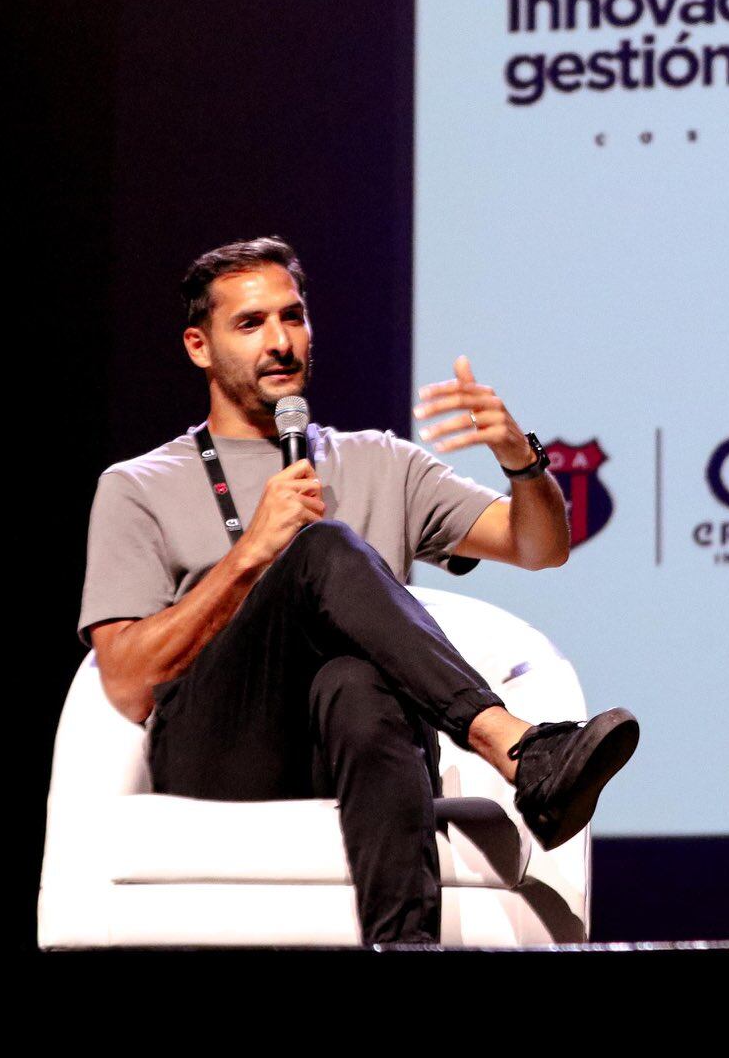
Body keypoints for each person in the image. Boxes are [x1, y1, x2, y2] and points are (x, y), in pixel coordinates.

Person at [79, 237, 638, 945]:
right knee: (323, 544)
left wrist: (521, 461)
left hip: (360, 743)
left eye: (293, 317)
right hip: (220, 748)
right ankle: (519, 748)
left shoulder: (381, 462)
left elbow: (539, 546)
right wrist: (252, 553)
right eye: (250, 325)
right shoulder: (138, 486)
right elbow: (127, 681)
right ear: (199, 346)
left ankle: (403, 949)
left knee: (356, 683)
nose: (280, 342)